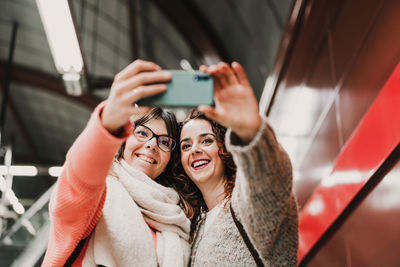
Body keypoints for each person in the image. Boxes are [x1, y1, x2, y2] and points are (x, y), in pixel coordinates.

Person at [42, 60, 191, 267]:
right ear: (124, 141)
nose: (152, 144)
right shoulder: (98, 195)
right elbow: (78, 183)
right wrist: (108, 123)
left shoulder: (174, 219)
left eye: (164, 141)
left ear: (169, 160)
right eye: (142, 133)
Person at [174, 62, 299, 266]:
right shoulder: (193, 229)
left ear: (225, 149)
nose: (195, 150)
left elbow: (269, 182)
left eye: (206, 140)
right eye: (186, 146)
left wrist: (250, 133)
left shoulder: (245, 203)